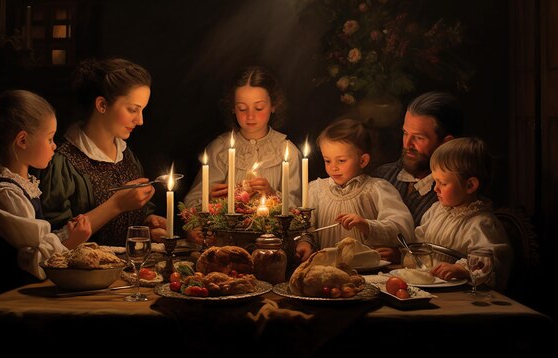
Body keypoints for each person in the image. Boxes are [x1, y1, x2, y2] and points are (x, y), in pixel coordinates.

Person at [34, 57, 166, 246]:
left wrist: (148, 221)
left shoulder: (125, 154)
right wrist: (117, 205)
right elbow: (56, 238)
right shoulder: (63, 161)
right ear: (102, 105)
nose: (140, 120)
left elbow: (133, 216)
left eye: (142, 110)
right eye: (132, 110)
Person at [0, 90, 92, 295]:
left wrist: (67, 233)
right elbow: (34, 261)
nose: (55, 146)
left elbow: (38, 241)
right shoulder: (2, 194)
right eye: (49, 138)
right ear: (22, 141)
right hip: (5, 298)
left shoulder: (23, 185)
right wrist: (70, 240)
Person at [183, 65, 302, 238]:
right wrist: (210, 198)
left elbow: (299, 208)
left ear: (273, 105)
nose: (250, 116)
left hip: (273, 241)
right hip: (226, 242)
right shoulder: (219, 149)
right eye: (242, 108)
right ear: (232, 107)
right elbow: (191, 203)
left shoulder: (287, 151)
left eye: (259, 108)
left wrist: (271, 194)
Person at [295, 118, 415, 262]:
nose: (333, 167)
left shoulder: (377, 189)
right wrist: (305, 242)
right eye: (328, 160)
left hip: (368, 271)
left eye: (341, 161)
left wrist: (366, 225)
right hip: (326, 269)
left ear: (363, 160)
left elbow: (402, 228)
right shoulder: (315, 190)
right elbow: (308, 229)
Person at [418, 137, 512, 291]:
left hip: (461, 293)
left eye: (443, 183)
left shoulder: (482, 223)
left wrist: (463, 270)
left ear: (470, 185)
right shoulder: (436, 211)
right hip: (430, 286)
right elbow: (420, 241)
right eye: (435, 182)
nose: (436, 188)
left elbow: (493, 262)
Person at [371, 91, 464, 226]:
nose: (407, 144)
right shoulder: (381, 176)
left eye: (419, 137)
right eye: (405, 133)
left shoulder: (456, 193)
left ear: (446, 143)